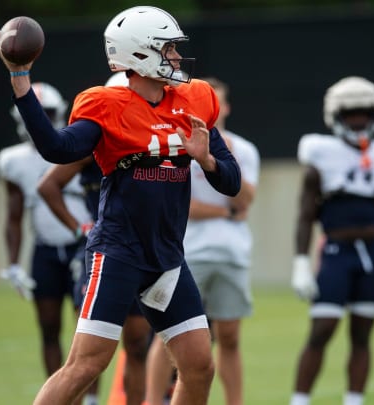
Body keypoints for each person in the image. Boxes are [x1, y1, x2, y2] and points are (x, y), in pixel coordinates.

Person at [0, 5, 241, 405]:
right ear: (141, 54)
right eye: (169, 49)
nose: (177, 57)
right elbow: (58, 149)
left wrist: (206, 158)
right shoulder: (106, 105)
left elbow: (230, 182)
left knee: (199, 365)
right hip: (119, 252)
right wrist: (20, 80)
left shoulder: (193, 102)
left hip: (166, 257)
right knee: (86, 365)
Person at [289, 76, 374, 405]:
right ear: (336, 116)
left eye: (364, 114)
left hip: (373, 254)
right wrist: (301, 262)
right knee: (323, 329)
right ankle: (299, 400)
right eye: (351, 115)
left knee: (362, 334)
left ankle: (354, 401)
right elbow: (305, 214)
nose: (358, 121)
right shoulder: (320, 154)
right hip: (335, 251)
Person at [35, 72, 153, 405]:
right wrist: (79, 227)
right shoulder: (94, 142)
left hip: (143, 249)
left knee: (138, 346)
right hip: (107, 251)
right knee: (87, 355)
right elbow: (48, 185)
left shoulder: (149, 138)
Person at [145, 77, 260, 405]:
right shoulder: (176, 142)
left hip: (232, 254)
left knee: (230, 338)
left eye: (221, 102)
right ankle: (153, 401)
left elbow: (244, 199)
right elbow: (186, 207)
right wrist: (223, 213)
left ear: (227, 107)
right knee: (168, 335)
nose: (218, 109)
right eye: (212, 101)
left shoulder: (244, 149)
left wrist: (227, 159)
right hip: (188, 252)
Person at [0, 82, 97, 404]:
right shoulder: (13, 160)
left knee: (89, 330)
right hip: (45, 248)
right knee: (49, 327)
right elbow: (13, 215)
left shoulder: (79, 144)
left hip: (83, 244)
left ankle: (91, 399)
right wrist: (12, 263)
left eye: (47, 113)